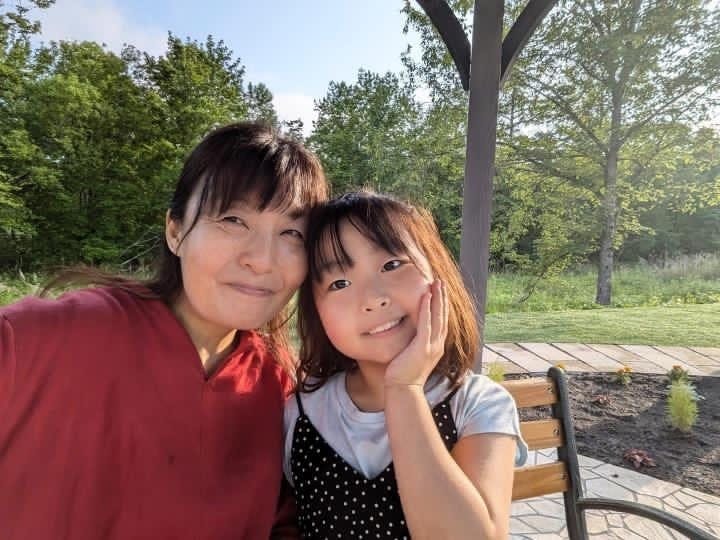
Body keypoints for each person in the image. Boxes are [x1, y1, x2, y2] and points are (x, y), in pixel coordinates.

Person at [0, 122, 328, 540]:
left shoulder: (279, 392)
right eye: (233, 219)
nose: (262, 260)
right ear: (175, 231)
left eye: (292, 233)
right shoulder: (42, 341)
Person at [284, 191, 528, 539]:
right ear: (316, 312)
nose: (373, 298)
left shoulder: (477, 405)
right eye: (339, 283)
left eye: (391, 265)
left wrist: (404, 388)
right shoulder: (300, 414)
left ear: (436, 272)